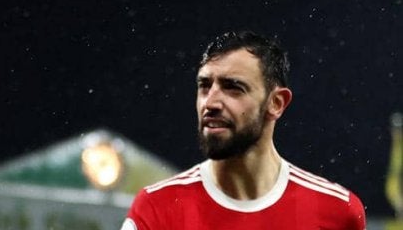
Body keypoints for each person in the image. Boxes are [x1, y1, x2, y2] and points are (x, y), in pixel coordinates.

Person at [122, 31, 366, 229]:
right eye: (204, 86)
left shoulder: (337, 213)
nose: (210, 102)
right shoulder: (157, 209)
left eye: (233, 87)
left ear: (276, 103)